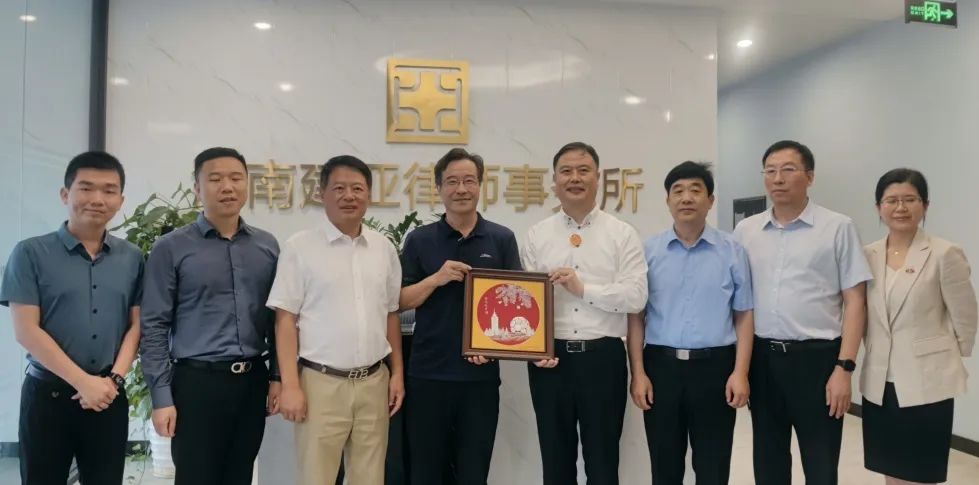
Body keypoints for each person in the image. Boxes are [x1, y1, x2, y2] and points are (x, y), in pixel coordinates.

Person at [733, 140, 872, 485]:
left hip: (818, 361)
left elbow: (856, 301)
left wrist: (844, 368)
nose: (778, 178)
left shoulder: (837, 227)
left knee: (820, 462)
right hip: (764, 360)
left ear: (810, 176)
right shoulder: (746, 231)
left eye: (788, 169)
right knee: (768, 460)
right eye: (770, 171)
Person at [1, 151, 143, 484]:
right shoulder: (30, 253)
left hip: (108, 395)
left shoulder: (133, 257)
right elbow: (26, 330)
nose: (98, 199)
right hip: (47, 397)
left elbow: (137, 326)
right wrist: (83, 382)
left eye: (109, 190)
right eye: (86, 188)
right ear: (66, 195)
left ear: (121, 200)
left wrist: (113, 381)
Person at [140, 147, 280, 485]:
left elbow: (277, 320)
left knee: (240, 475)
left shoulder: (267, 246)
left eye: (236, 178)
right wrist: (161, 397)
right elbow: (154, 325)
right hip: (196, 384)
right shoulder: (171, 247)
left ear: (247, 185)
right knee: (195, 476)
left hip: (251, 382)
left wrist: (277, 376)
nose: (227, 187)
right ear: (197, 189)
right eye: (215, 179)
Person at [269, 155, 405, 485]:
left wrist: (397, 373)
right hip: (321, 384)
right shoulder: (300, 248)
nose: (349, 196)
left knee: (370, 478)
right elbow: (285, 320)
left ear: (369, 195)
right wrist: (290, 385)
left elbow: (391, 313)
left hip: (374, 382)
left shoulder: (383, 249)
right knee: (316, 477)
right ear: (322, 193)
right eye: (339, 188)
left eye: (357, 188)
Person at [521, 141, 648, 485]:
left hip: (602, 359)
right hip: (550, 360)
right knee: (555, 463)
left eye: (583, 170)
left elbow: (636, 297)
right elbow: (527, 302)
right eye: (566, 171)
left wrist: (583, 290)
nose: (574, 178)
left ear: (598, 177)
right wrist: (534, 349)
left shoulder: (622, 234)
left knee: (603, 464)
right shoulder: (537, 235)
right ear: (554, 181)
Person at [399, 147, 522, 485]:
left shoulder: (501, 239)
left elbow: (517, 305)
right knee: (425, 472)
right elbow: (399, 301)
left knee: (473, 472)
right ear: (439, 188)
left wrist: (494, 348)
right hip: (428, 375)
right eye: (452, 182)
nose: (461, 189)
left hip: (479, 380)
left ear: (481, 186)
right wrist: (435, 279)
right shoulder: (420, 240)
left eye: (469, 180)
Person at [627, 161, 753, 485]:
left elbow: (743, 315)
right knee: (664, 466)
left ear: (710, 201)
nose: (686, 198)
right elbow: (636, 317)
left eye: (696, 190)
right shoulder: (648, 252)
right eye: (678, 191)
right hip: (661, 368)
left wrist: (740, 373)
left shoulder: (732, 251)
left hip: (716, 369)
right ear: (667, 200)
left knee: (713, 466)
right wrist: (638, 373)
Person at [861, 168, 977, 485]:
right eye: (891, 200)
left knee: (920, 471)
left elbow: (965, 313)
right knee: (891, 467)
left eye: (910, 199)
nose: (900, 207)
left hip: (927, 379)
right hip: (880, 380)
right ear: (878, 207)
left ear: (925, 205)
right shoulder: (867, 254)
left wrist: (947, 354)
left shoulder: (944, 252)